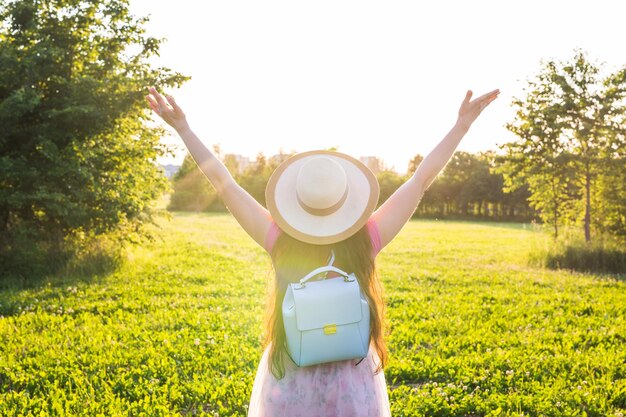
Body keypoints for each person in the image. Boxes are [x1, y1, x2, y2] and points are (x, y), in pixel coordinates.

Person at [146, 86, 499, 416]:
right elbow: (420, 180)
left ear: (295, 201)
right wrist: (461, 127)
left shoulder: (279, 240)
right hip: (352, 382)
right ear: (348, 199)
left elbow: (224, 185)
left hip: (291, 380)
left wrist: (184, 129)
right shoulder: (366, 239)